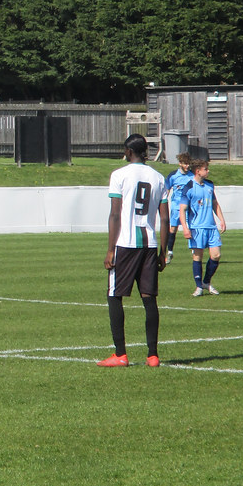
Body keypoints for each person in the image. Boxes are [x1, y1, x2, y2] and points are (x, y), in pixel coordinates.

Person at [98, 133, 169, 367]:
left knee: (114, 296)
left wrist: (110, 250)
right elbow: (165, 219)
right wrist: (164, 252)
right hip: (149, 244)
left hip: (126, 244)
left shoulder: (119, 175)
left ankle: (120, 354)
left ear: (128, 152)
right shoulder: (158, 177)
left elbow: (115, 214)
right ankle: (153, 355)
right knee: (149, 300)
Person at [179, 158, 226, 297]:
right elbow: (182, 210)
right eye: (206, 169)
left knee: (216, 255)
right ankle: (199, 287)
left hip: (211, 227)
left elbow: (215, 204)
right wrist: (185, 228)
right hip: (196, 228)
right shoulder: (188, 187)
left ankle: (206, 282)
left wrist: (221, 220)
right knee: (197, 257)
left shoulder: (210, 185)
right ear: (198, 171)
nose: (208, 171)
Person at [163, 152, 194, 264]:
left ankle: (194, 252)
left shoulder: (192, 176)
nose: (187, 166)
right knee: (173, 229)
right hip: (176, 207)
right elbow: (166, 190)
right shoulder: (173, 175)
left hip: (188, 207)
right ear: (180, 163)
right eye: (185, 164)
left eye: (188, 164)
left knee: (190, 228)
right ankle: (170, 253)